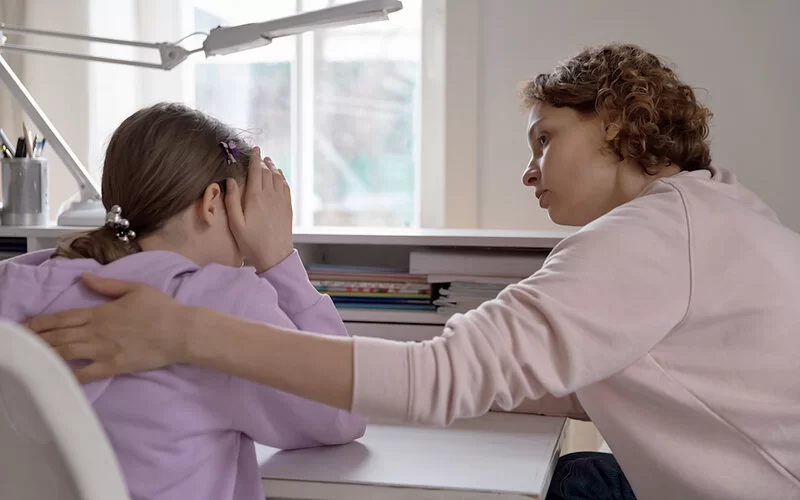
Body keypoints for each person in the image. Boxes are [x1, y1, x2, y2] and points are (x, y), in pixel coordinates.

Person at [27, 44, 800, 499]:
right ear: (217, 203)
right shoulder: (708, 214)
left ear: (620, 125)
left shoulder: (650, 238)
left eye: (545, 139)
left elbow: (441, 379)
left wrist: (186, 332)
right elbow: (554, 378)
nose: (529, 172)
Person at [0, 103, 366, 500]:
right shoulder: (223, 305)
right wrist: (279, 260)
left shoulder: (16, 282)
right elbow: (342, 412)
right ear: (213, 203)